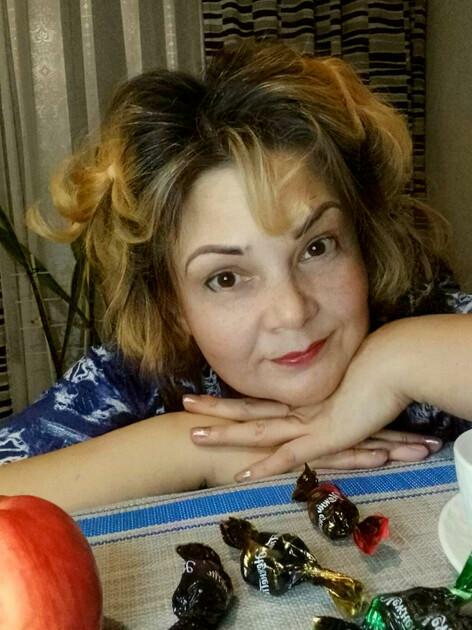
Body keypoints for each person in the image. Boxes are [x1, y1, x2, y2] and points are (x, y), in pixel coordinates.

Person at [1, 41, 471, 512]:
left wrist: (397, 363)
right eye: (226, 278)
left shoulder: (421, 316)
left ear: (362, 244)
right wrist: (191, 447)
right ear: (171, 303)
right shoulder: (139, 380)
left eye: (317, 247)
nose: (292, 312)